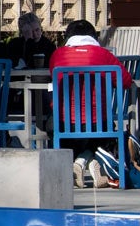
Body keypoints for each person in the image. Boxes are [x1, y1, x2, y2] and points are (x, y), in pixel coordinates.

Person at [49, 19, 133, 185]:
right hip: (99, 123)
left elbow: (53, 76)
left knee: (53, 127)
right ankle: (88, 161)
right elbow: (126, 81)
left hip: (65, 123)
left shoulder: (58, 55)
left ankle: (79, 162)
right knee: (105, 135)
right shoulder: (104, 55)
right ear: (94, 36)